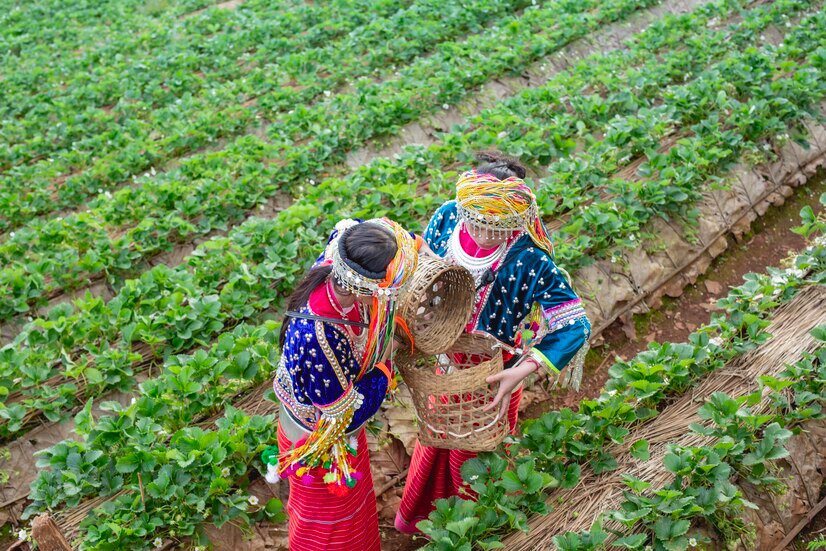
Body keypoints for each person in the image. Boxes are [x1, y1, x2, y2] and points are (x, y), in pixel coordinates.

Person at [395, 152, 591, 534]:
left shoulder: (529, 259)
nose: (485, 234)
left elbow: (575, 324)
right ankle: (430, 523)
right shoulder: (448, 217)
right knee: (435, 440)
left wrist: (520, 371)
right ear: (465, 208)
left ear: (517, 219)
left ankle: (469, 532)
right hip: (443, 364)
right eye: (478, 222)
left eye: (498, 226)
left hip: (492, 375)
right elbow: (423, 275)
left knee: (473, 455)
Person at [262, 218, 421, 551]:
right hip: (320, 439)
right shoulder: (317, 336)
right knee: (329, 530)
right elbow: (344, 414)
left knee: (353, 510)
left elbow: (352, 224)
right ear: (364, 288)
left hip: (337, 437)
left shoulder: (339, 257)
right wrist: (386, 363)